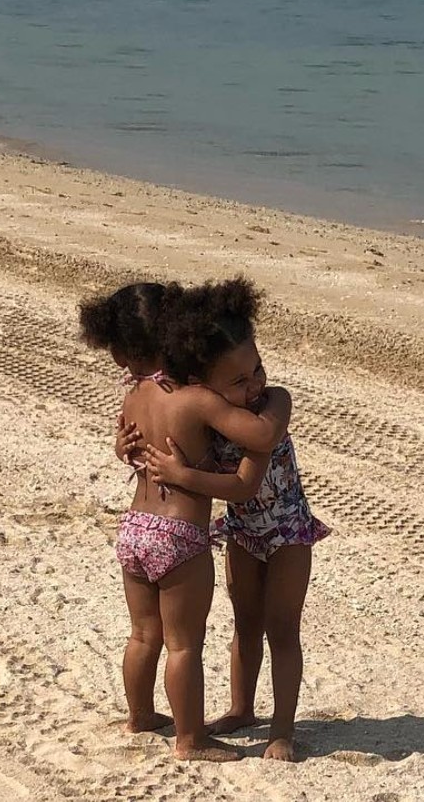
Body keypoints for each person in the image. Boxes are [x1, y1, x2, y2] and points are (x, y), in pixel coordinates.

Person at [80, 280, 289, 761]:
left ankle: (139, 716)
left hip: (134, 529)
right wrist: (277, 400)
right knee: (182, 645)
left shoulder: (135, 395)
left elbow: (127, 447)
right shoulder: (195, 398)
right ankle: (190, 740)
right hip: (177, 535)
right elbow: (259, 433)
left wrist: (121, 449)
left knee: (142, 635)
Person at [139, 277, 329, 763]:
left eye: (257, 368)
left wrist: (182, 474)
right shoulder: (214, 415)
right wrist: (129, 448)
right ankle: (242, 708)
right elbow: (161, 422)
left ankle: (282, 729)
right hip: (244, 533)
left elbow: (244, 484)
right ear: (206, 386)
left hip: (288, 533)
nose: (255, 384)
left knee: (282, 629)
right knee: (244, 625)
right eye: (239, 381)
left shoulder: (273, 407)